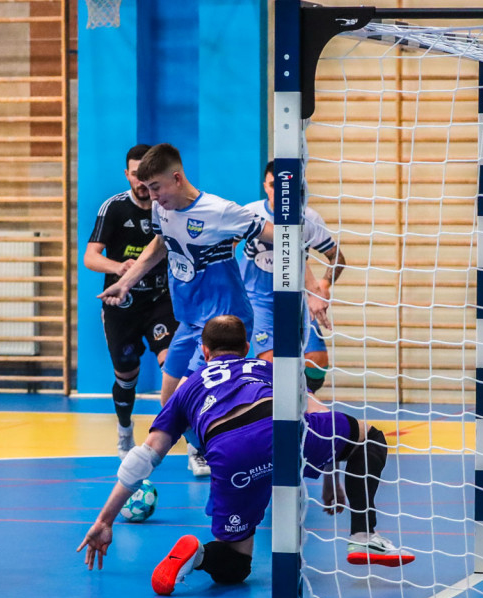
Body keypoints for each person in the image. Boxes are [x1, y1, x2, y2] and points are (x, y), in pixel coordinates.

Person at [77, 315, 412, 596]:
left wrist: (105, 520)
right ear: (247, 347)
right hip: (283, 433)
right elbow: (319, 412)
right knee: (370, 437)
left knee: (236, 567)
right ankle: (362, 535)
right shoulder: (267, 367)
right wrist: (329, 470)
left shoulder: (188, 387)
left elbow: (144, 457)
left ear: (204, 351)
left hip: (229, 454)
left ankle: (198, 556)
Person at [99, 143, 329, 477]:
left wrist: (302, 243)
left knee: (183, 406)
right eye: (147, 189)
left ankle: (256, 451)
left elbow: (277, 235)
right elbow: (159, 246)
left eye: (156, 188)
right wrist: (126, 282)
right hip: (189, 320)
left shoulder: (220, 211)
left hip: (223, 324)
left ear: (177, 178)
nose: (151, 196)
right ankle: (209, 448)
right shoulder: (161, 208)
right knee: (169, 404)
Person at [84, 144, 178, 459]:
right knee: (126, 375)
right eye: (135, 175)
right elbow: (90, 257)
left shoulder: (167, 204)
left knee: (173, 367)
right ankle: (125, 431)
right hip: (121, 303)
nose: (140, 182)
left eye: (146, 176)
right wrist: (119, 269)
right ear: (127, 175)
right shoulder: (113, 208)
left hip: (160, 299)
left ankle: (192, 442)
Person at [243, 161, 346, 391]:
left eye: (284, 185)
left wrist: (323, 285)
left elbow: (337, 257)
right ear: (265, 186)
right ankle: (272, 416)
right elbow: (226, 250)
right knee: (269, 363)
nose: (278, 191)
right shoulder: (251, 213)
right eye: (272, 185)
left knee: (317, 364)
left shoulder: (308, 218)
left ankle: (301, 408)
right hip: (258, 299)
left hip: (296, 297)